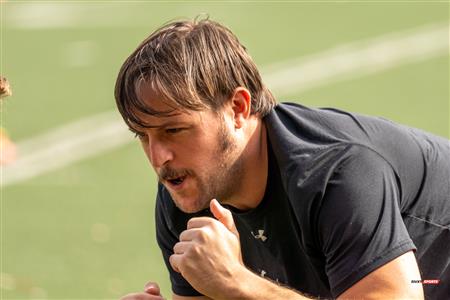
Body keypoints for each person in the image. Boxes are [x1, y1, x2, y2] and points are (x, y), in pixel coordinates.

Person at [115, 18, 449, 300]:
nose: (158, 157)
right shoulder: (187, 193)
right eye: (142, 135)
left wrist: (237, 283)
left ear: (238, 109)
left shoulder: (338, 173)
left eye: (174, 130)